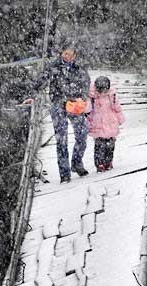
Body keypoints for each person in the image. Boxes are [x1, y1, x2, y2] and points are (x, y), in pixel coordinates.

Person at [22, 43, 90, 183]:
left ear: (74, 56)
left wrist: (82, 99)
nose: (66, 56)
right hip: (58, 104)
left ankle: (76, 163)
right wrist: (32, 95)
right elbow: (41, 82)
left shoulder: (80, 68)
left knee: (82, 134)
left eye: (69, 54)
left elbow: (86, 83)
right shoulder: (54, 67)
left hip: (74, 104)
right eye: (64, 53)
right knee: (61, 140)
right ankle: (64, 174)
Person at [86, 76, 125, 172]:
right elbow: (88, 110)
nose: (103, 91)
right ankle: (99, 163)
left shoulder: (112, 95)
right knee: (99, 145)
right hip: (97, 122)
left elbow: (117, 108)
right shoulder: (92, 97)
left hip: (111, 121)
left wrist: (120, 118)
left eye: (105, 89)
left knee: (110, 145)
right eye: (101, 89)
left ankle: (108, 161)